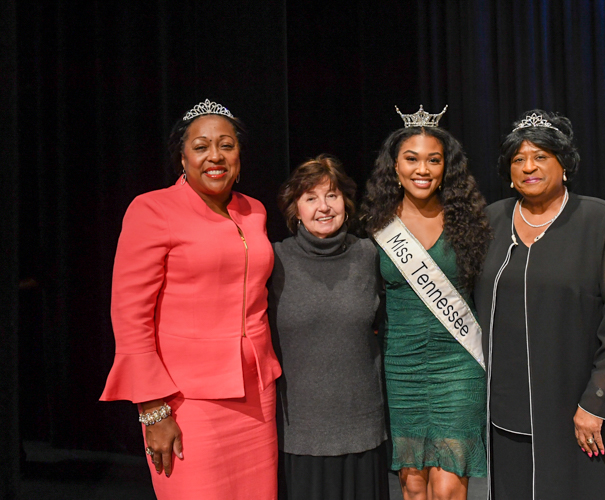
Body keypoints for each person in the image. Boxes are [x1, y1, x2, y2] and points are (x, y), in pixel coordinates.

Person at [100, 99, 282, 499]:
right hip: (186, 403)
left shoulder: (254, 211)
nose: (214, 156)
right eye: (201, 147)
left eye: (226, 145)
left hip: (257, 397)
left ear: (239, 154)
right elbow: (131, 318)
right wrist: (153, 409)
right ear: (181, 157)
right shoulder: (152, 209)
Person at [474, 109, 605, 499]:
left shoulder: (599, 220)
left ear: (563, 163)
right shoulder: (491, 221)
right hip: (506, 411)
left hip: (577, 410)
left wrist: (597, 402)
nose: (528, 167)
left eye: (540, 157)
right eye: (518, 159)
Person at [361, 105, 491, 500]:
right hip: (403, 366)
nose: (423, 169)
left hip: (457, 364)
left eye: (434, 160)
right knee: (414, 483)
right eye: (411, 158)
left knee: (449, 483)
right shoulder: (377, 226)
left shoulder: (469, 220)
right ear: (395, 167)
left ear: (446, 167)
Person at [268, 155, 389, 500]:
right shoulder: (274, 259)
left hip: (362, 430)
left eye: (332, 195)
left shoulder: (370, 255)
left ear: (346, 203)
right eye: (311, 198)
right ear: (295, 208)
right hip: (300, 433)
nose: (323, 207)